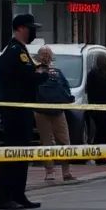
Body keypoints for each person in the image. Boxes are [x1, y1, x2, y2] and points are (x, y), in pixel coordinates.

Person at [0, 14, 48, 210]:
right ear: (19, 28)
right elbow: (26, 77)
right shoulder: (14, 51)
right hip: (14, 111)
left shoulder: (23, 51)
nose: (32, 31)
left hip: (23, 109)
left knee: (22, 154)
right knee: (12, 154)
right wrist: (41, 75)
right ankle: (5, 197)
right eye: (29, 27)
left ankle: (18, 194)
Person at [33, 46, 76, 183]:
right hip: (42, 111)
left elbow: (65, 89)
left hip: (57, 111)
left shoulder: (56, 71)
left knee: (63, 140)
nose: (45, 56)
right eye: (43, 54)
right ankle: (50, 171)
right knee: (48, 142)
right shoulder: (35, 71)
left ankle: (66, 172)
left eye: (47, 54)